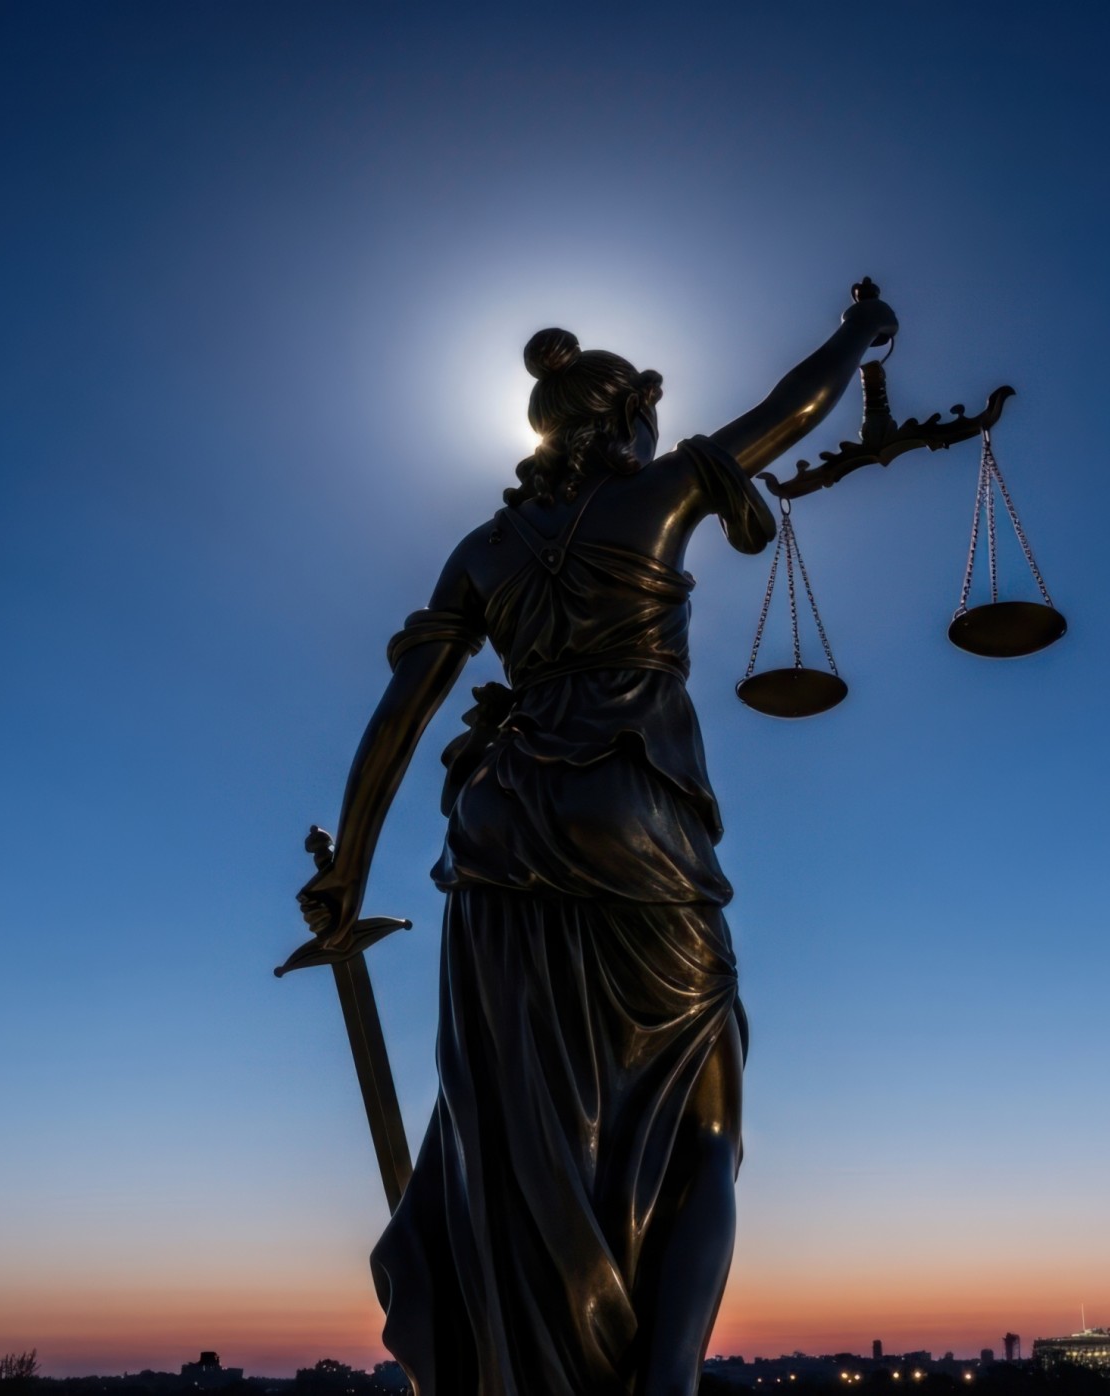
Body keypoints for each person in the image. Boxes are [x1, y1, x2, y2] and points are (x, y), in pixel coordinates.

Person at [295, 286, 899, 1396]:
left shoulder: (481, 551)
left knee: (523, 1128)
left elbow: (402, 716)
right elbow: (789, 408)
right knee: (705, 1123)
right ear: (625, 421)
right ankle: (660, 1386)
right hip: (636, 822)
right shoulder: (662, 493)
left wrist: (346, 868)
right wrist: (864, 332)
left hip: (498, 830)